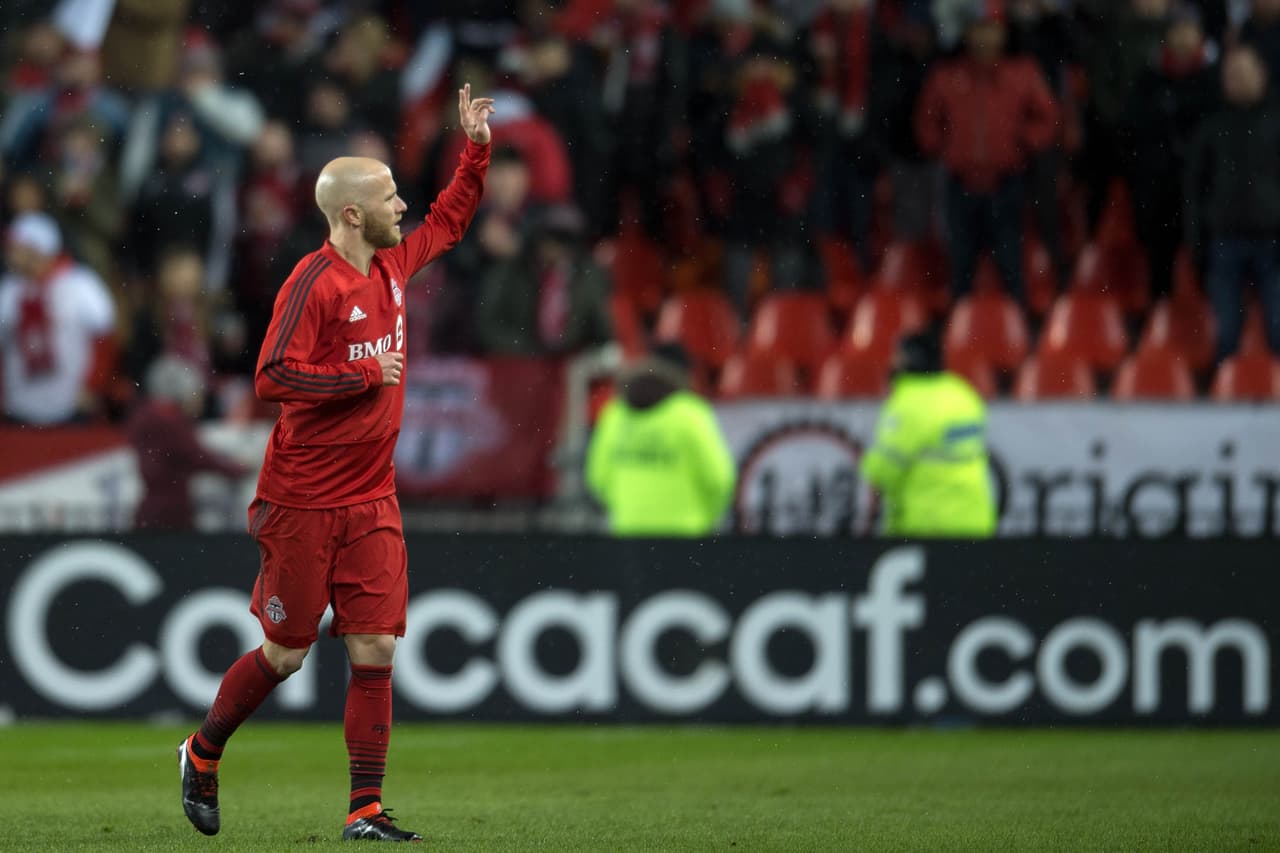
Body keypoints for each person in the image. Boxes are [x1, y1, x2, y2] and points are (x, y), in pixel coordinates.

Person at [176, 84, 495, 843]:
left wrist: (475, 148)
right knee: (285, 655)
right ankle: (203, 747)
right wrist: (359, 376)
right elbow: (270, 376)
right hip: (302, 499)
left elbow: (450, 218)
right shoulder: (313, 283)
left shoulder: (392, 263)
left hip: (372, 496)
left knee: (376, 642)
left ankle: (364, 808)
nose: (402, 206)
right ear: (351, 214)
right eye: (388, 196)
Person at [915, 2, 1059, 307]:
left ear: (1003, 33)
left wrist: (1022, 143)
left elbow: (1048, 118)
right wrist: (945, 148)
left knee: (1010, 269)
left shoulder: (1022, 73)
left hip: (1006, 184)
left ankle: (1018, 339)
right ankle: (957, 341)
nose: (985, 37)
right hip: (961, 184)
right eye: (978, 29)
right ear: (967, 33)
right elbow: (926, 121)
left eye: (991, 29)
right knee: (960, 270)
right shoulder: (947, 76)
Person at [1184, 45, 1280, 361]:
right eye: (1231, 75)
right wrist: (1197, 241)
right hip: (1225, 239)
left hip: (1273, 239)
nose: (1236, 80)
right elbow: (1195, 188)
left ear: (1261, 74)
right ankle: (1225, 399)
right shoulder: (1211, 126)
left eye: (1243, 73)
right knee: (1226, 337)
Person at [586, 343, 736, 537]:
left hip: (627, 533)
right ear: (684, 375)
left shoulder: (616, 413)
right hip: (685, 533)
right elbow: (720, 478)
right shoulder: (690, 414)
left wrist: (630, 507)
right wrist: (707, 517)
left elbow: (597, 477)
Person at [860, 330, 998, 538]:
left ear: (909, 360)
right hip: (977, 521)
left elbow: (882, 471)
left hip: (929, 526)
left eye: (897, 356)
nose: (892, 361)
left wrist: (867, 465)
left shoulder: (907, 404)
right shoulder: (964, 394)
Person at [0, 211, 117, 425]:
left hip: (72, 405)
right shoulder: (9, 289)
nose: (9, 252)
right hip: (19, 406)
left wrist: (93, 386)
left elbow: (104, 340)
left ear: (37, 249)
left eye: (16, 247)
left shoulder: (81, 284)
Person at [127, 355, 248, 530]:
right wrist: (236, 468)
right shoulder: (169, 419)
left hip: (152, 508)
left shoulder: (146, 415)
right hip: (171, 511)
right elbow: (197, 456)